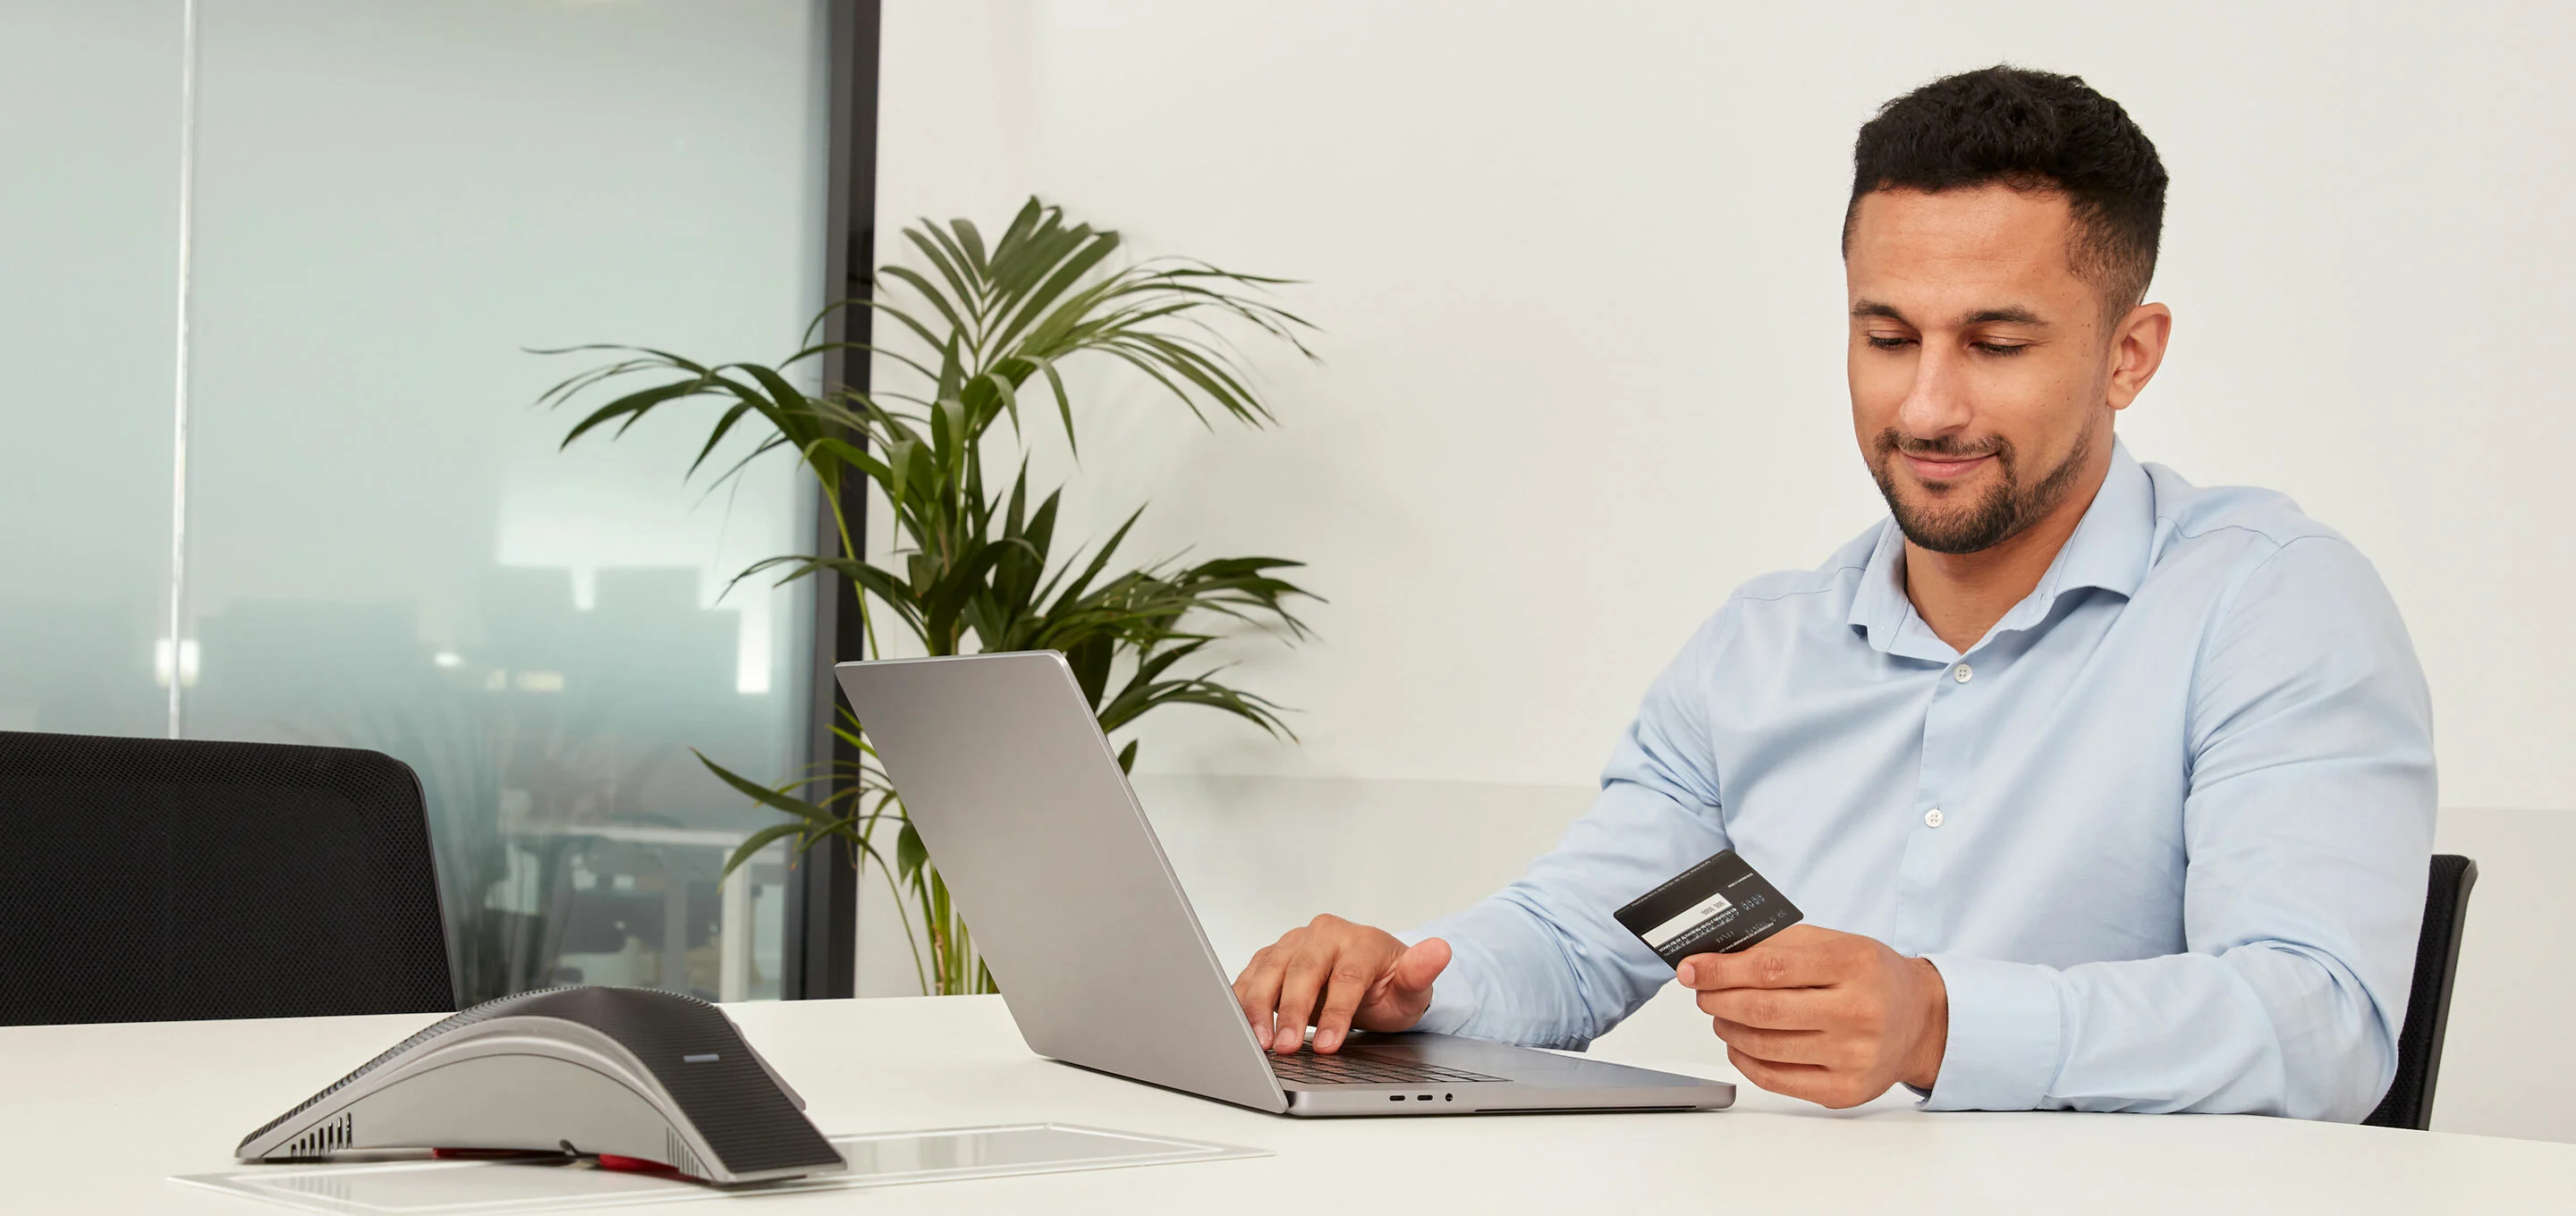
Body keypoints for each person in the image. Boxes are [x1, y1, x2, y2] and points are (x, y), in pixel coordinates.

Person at [1229, 65, 2435, 1120]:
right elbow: (1588, 938)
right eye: (1888, 337)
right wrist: (1413, 983)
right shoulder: (1765, 657)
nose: (1927, 407)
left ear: (2131, 353)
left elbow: (2319, 1026)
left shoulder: (2269, 609)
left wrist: (1937, 1022)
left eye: (1997, 345)